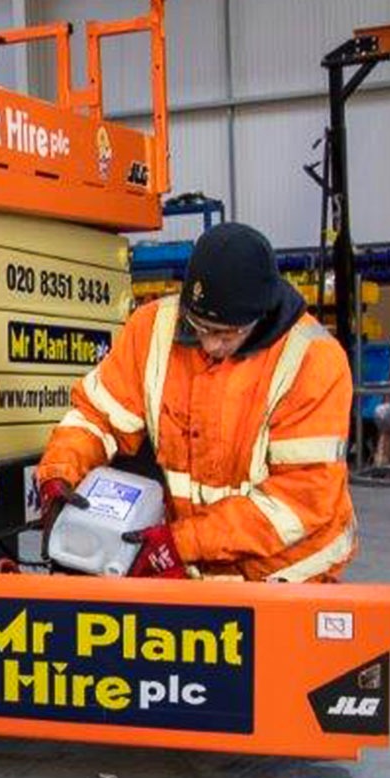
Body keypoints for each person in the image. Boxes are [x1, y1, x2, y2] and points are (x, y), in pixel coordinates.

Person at [36, 222, 357, 582]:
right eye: (198, 325)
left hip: (287, 575)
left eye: (225, 334)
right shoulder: (153, 329)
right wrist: (59, 473)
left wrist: (181, 543)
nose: (208, 345)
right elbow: (96, 416)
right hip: (195, 568)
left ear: (261, 315)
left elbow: (300, 497)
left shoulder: (313, 362)